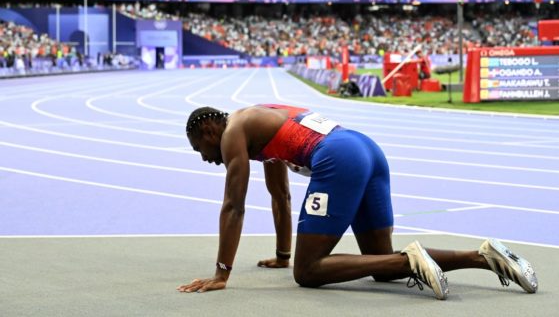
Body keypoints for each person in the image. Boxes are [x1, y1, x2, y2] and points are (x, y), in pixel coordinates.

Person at [177, 104, 538, 299]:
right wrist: (283, 256)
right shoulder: (256, 125)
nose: (205, 157)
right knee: (382, 263)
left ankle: (414, 258)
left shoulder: (233, 132)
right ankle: (484, 256)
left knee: (308, 272)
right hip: (366, 149)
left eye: (199, 149)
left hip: (339, 157)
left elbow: (233, 206)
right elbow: (280, 195)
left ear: (209, 131)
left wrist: (221, 273)